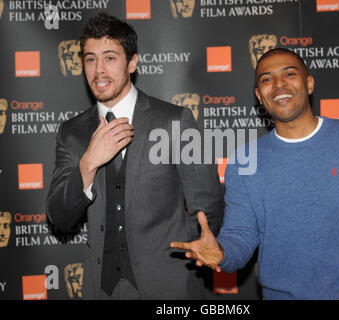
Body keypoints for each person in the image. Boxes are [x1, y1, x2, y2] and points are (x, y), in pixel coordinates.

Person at [171, 48, 339, 300]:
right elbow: (242, 233)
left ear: (309, 83)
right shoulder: (245, 159)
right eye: (267, 79)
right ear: (259, 96)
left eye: (289, 74)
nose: (279, 84)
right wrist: (223, 254)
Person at [46, 12, 224, 300]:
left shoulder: (175, 121)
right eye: (90, 59)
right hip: (101, 289)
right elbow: (59, 218)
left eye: (110, 58)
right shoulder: (72, 132)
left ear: (132, 62)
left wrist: (173, 253)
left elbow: (208, 204)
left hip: (169, 286)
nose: (98, 70)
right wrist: (88, 163)